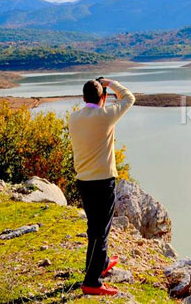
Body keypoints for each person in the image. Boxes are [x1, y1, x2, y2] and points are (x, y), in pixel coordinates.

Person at [68, 78, 135, 296]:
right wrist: (110, 83)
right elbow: (129, 98)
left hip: (83, 181)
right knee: (100, 232)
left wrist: (102, 97)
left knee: (94, 227)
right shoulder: (106, 117)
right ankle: (92, 282)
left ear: (83, 98)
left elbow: (92, 115)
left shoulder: (74, 118)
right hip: (103, 182)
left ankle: (101, 262)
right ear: (103, 98)